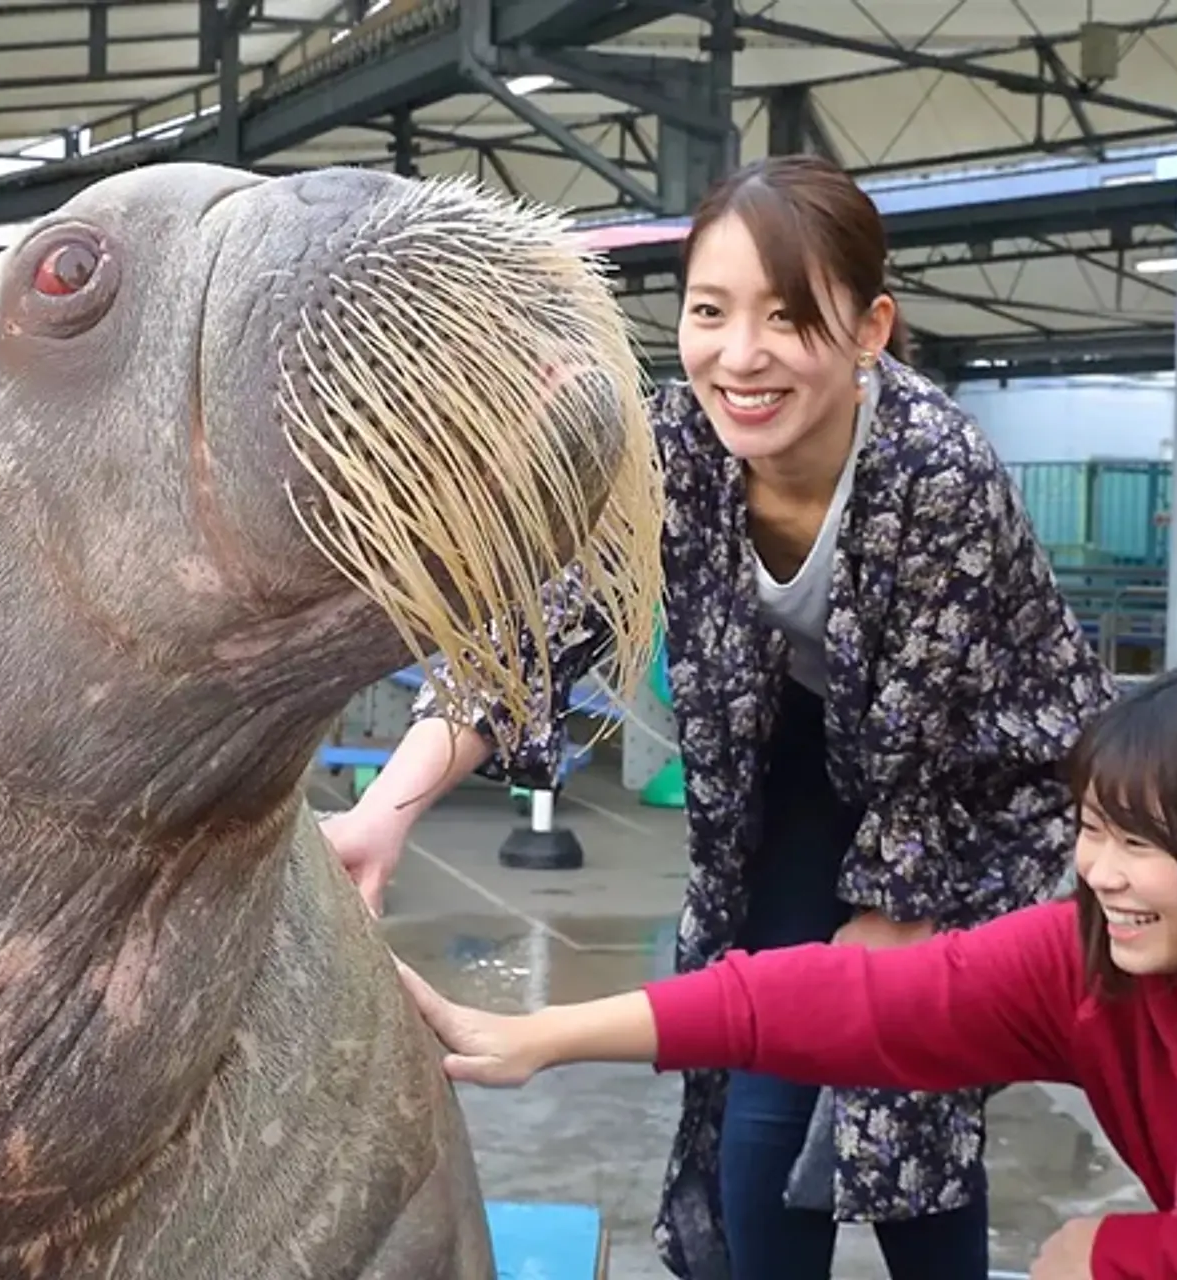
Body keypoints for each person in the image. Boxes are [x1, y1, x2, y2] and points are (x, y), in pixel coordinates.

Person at [321, 155, 1116, 1280]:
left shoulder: (939, 468)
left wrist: (886, 927)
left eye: (789, 316)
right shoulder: (674, 448)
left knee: (909, 1087)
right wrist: (388, 809)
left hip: (974, 789)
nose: (740, 355)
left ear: (869, 327)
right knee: (760, 1101)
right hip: (797, 759)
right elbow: (541, 632)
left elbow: (926, 756)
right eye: (710, 311)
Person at [392, 660, 1177, 1280]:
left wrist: (1129, 1253)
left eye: (1141, 840)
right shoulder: (1100, 962)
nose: (1098, 870)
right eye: (1091, 827)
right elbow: (845, 1000)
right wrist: (544, 1035)